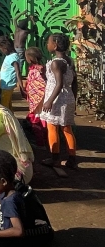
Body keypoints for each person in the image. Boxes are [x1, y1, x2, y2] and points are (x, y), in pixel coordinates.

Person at [40, 33, 77, 170]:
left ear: (55, 45)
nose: (47, 45)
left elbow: (59, 83)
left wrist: (49, 101)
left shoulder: (56, 63)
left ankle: (55, 158)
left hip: (57, 100)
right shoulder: (69, 61)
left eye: (49, 42)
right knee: (67, 128)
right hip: (68, 98)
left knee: (52, 127)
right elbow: (75, 81)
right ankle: (72, 159)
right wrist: (74, 99)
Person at [24, 48, 47, 146]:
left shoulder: (36, 71)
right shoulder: (42, 68)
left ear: (30, 58)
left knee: (36, 120)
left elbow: (37, 85)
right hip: (43, 98)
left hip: (38, 100)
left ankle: (40, 142)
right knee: (43, 119)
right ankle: (46, 141)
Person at [0, 37, 23, 111]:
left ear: (5, 49)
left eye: (1, 49)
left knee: (4, 106)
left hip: (8, 86)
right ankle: (12, 119)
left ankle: (7, 120)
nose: (1, 52)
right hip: (5, 85)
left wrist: (21, 86)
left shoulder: (13, 57)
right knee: (8, 104)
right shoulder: (10, 56)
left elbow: (18, 72)